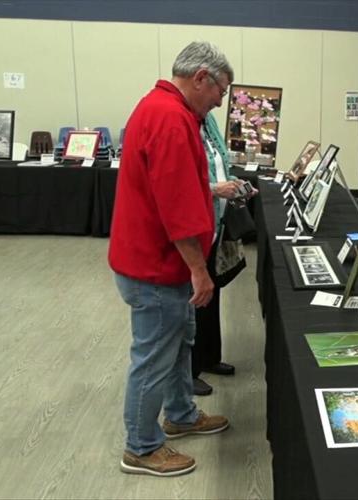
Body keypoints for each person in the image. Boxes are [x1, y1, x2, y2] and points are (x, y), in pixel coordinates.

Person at [108, 41, 234, 478]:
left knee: (179, 343)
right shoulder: (170, 118)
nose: (221, 100)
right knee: (155, 355)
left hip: (154, 262)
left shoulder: (163, 108)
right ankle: (140, 448)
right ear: (200, 77)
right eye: (220, 90)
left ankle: (180, 415)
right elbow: (176, 208)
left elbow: (180, 186)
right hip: (157, 267)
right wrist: (199, 269)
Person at [190, 111, 257, 396]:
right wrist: (216, 189)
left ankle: (208, 358)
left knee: (211, 294)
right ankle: (188, 371)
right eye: (219, 89)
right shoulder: (182, 124)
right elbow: (182, 186)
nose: (221, 98)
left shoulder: (210, 120)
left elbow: (221, 166)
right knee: (193, 301)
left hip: (216, 222)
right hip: (196, 228)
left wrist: (236, 185)